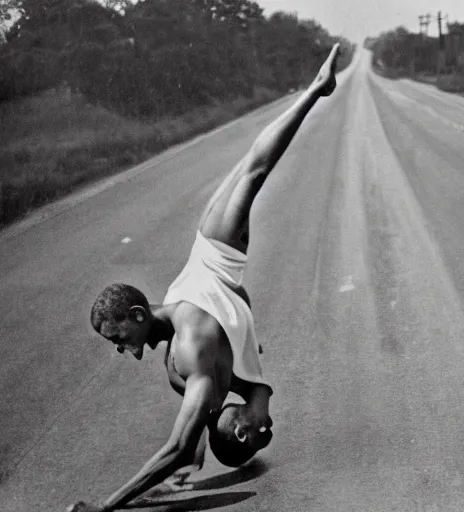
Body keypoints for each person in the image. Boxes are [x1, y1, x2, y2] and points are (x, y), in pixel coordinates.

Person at [68, 42, 340, 512]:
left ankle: (318, 87)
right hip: (215, 262)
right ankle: (314, 88)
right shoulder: (183, 350)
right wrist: (210, 450)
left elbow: (178, 443)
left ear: (137, 313)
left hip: (214, 250)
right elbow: (216, 410)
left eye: (119, 337)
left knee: (253, 169)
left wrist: (105, 507)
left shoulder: (188, 351)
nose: (120, 349)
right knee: (248, 168)